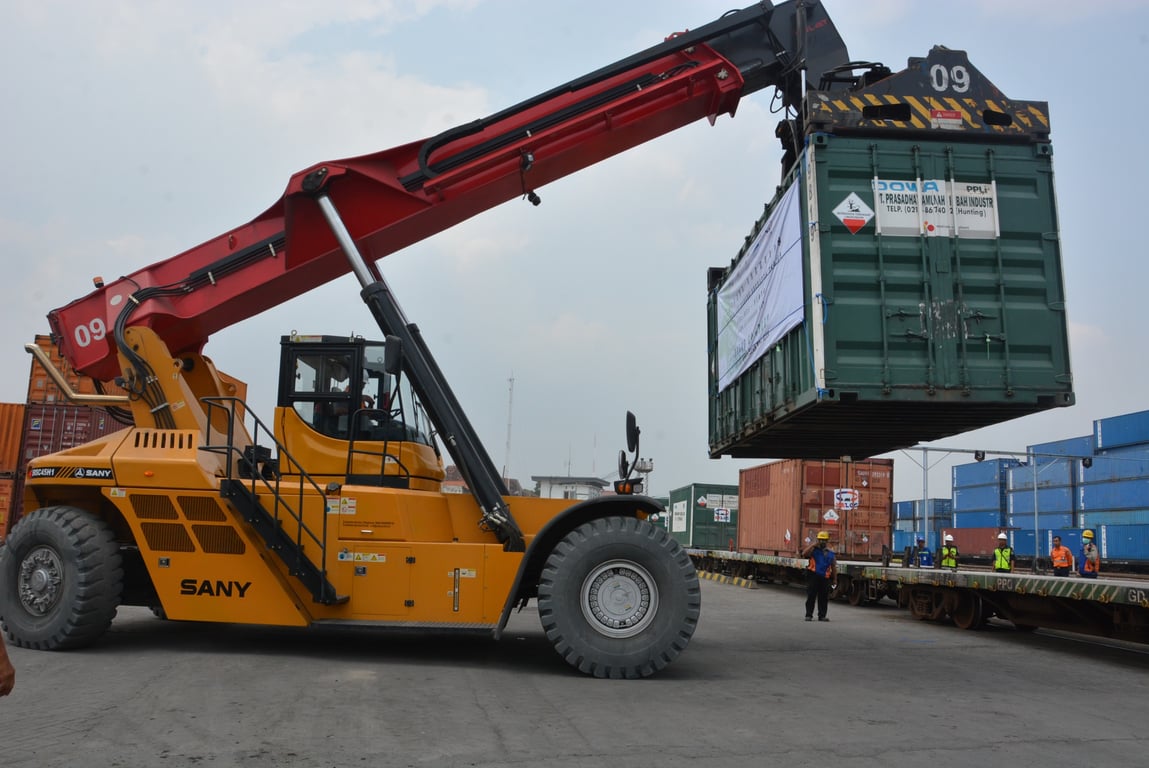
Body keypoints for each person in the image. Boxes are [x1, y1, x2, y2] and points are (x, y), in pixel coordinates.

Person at [801, 531, 837, 622]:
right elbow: (804, 554)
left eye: (824, 540)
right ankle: (809, 615)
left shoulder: (831, 553)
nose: (822, 542)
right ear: (818, 540)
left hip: (825, 577)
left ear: (827, 541)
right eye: (821, 540)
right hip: (813, 576)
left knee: (823, 597)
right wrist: (813, 545)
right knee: (811, 596)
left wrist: (835, 579)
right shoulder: (813, 550)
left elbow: (833, 566)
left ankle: (822, 616)